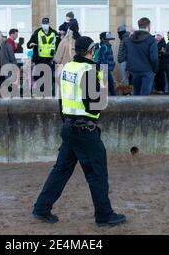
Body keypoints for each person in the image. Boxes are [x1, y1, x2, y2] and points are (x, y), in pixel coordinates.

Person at [32, 36, 126, 228]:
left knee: (60, 171)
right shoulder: (89, 71)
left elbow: (61, 100)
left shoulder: (67, 68)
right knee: (97, 173)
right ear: (91, 51)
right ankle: (104, 215)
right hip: (85, 130)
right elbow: (94, 107)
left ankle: (41, 208)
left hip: (69, 127)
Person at [121, 18, 158, 96]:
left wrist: (129, 69)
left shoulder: (130, 39)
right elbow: (154, 58)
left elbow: (127, 55)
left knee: (136, 94)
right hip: (147, 70)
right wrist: (154, 70)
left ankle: (135, 108)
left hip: (134, 70)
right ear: (148, 26)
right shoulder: (151, 40)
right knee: (145, 95)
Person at [28, 18, 60, 94]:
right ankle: (40, 94)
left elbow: (59, 45)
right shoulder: (37, 32)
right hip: (39, 60)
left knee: (49, 78)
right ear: (42, 23)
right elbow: (29, 43)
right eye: (43, 23)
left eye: (46, 23)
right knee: (39, 78)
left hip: (50, 60)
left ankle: (47, 94)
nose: (45, 24)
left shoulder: (54, 33)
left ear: (49, 23)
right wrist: (30, 45)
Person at [98, 32, 117, 96]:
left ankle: (108, 96)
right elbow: (102, 59)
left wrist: (113, 64)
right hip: (104, 69)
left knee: (108, 84)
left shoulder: (108, 47)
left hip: (106, 68)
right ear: (107, 40)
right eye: (111, 39)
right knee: (109, 83)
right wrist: (104, 69)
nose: (113, 41)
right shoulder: (105, 47)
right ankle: (113, 97)